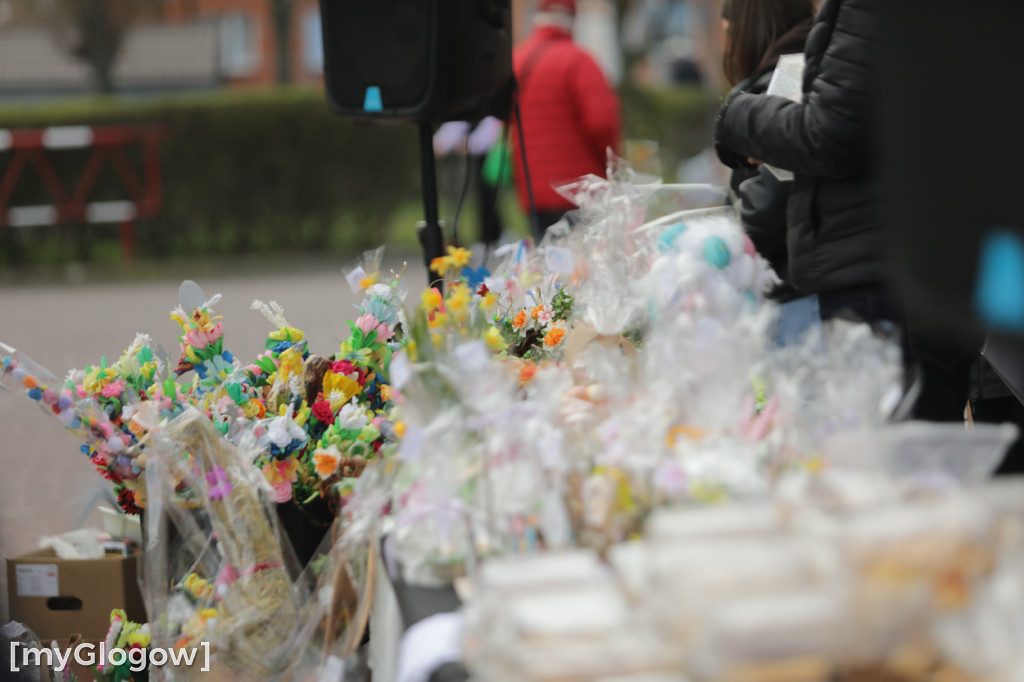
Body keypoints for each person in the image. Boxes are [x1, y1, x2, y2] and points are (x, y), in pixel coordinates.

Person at [714, 0, 977, 422]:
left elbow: (830, 133)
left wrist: (736, 115)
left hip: (885, 278)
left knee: (885, 449)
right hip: (920, 268)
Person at [720, 0, 815, 300]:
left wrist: (722, 248)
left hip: (790, 288)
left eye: (729, 33)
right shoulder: (815, 69)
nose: (726, 47)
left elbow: (768, 204)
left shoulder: (783, 84)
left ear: (749, 30)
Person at [511, 0, 622, 241]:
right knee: (583, 260)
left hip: (533, 190)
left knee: (547, 256)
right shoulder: (580, 60)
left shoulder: (517, 60)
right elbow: (602, 122)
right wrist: (613, 165)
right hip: (579, 190)